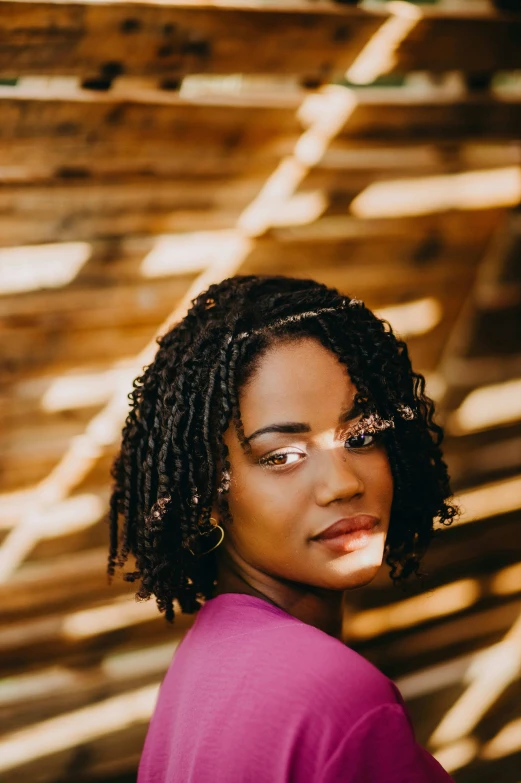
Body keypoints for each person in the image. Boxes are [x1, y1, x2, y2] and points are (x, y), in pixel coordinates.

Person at [108, 275, 459, 782]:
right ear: (206, 493)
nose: (341, 483)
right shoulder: (339, 698)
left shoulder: (205, 667)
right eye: (283, 456)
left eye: (361, 434)